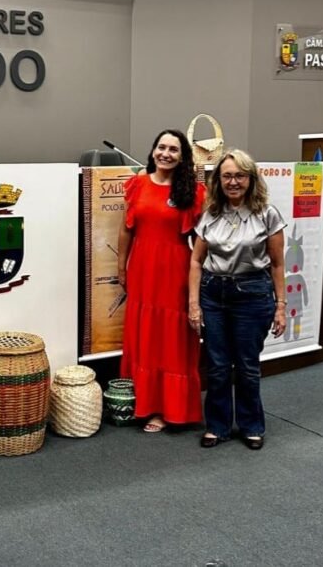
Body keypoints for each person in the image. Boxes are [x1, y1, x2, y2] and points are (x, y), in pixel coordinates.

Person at [188, 149, 287, 450]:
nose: (233, 182)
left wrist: (281, 307)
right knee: (218, 366)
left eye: (240, 176)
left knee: (247, 366)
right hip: (213, 295)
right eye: (227, 176)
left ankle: (251, 426)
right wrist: (194, 304)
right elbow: (196, 261)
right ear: (218, 180)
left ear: (251, 179)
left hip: (252, 296)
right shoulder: (210, 213)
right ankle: (217, 427)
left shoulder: (267, 214)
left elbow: (277, 265)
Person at [117, 129, 206, 433]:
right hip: (142, 269)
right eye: (161, 147)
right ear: (153, 150)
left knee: (172, 339)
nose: (166, 154)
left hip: (175, 272)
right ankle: (144, 403)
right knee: (145, 335)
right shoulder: (137, 184)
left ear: (183, 157)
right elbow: (126, 229)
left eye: (173, 149)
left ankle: (168, 410)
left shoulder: (194, 192)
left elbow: (203, 238)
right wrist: (121, 267)